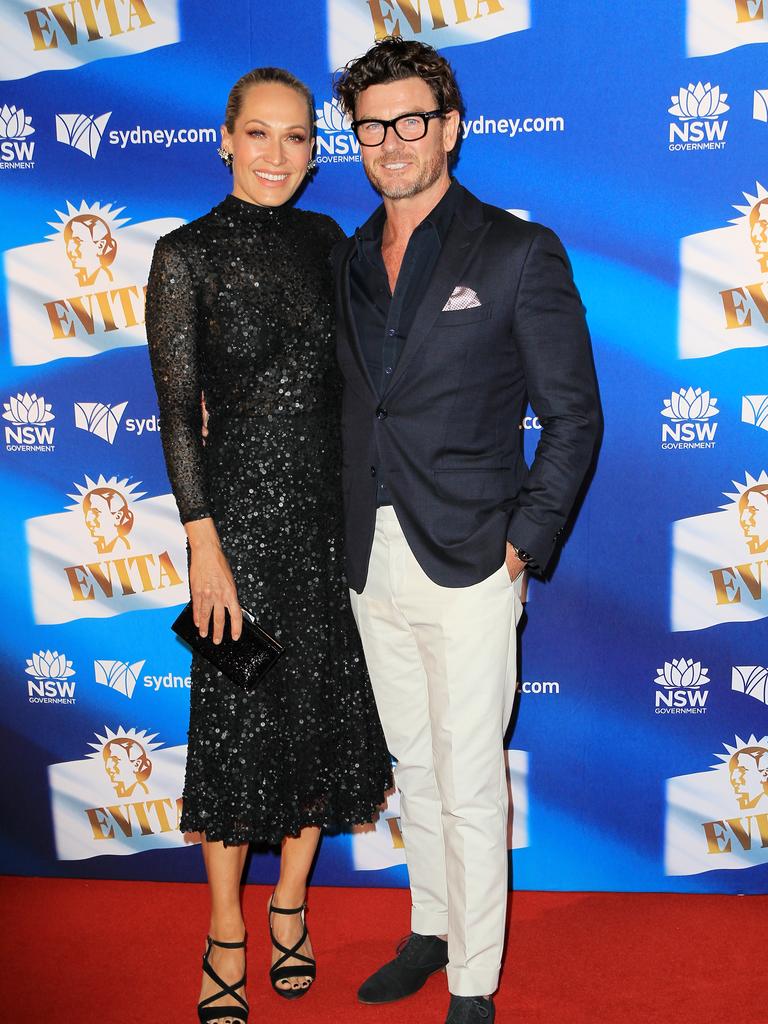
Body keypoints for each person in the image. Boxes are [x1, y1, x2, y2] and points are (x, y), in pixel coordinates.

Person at [333, 37, 602, 1024]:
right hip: (372, 552)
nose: (393, 140)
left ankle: (474, 982)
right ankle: (434, 924)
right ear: (355, 136)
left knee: (471, 770)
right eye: (372, 125)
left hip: (473, 553)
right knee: (414, 757)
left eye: (412, 120)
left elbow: (573, 414)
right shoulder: (350, 256)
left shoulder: (517, 250)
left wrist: (524, 542)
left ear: (450, 127)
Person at [145, 66, 392, 1024]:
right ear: (225, 138)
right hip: (236, 533)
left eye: (297, 138)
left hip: (329, 527)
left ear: (315, 148)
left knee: (317, 728)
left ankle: (289, 904)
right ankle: (225, 930)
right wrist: (202, 540)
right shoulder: (185, 256)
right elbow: (176, 417)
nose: (278, 155)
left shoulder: (328, 242)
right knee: (235, 730)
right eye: (259, 134)